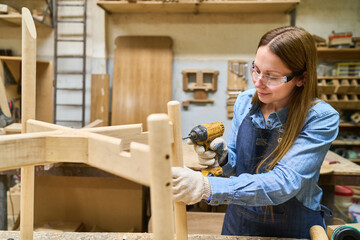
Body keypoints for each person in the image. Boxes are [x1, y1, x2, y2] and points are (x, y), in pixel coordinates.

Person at [172, 26, 339, 239]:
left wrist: (207, 186)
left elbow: (283, 183)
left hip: (293, 227)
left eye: (272, 76)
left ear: (301, 78)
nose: (258, 82)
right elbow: (237, 162)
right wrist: (221, 158)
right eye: (256, 69)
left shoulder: (320, 118)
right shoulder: (245, 101)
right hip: (240, 219)